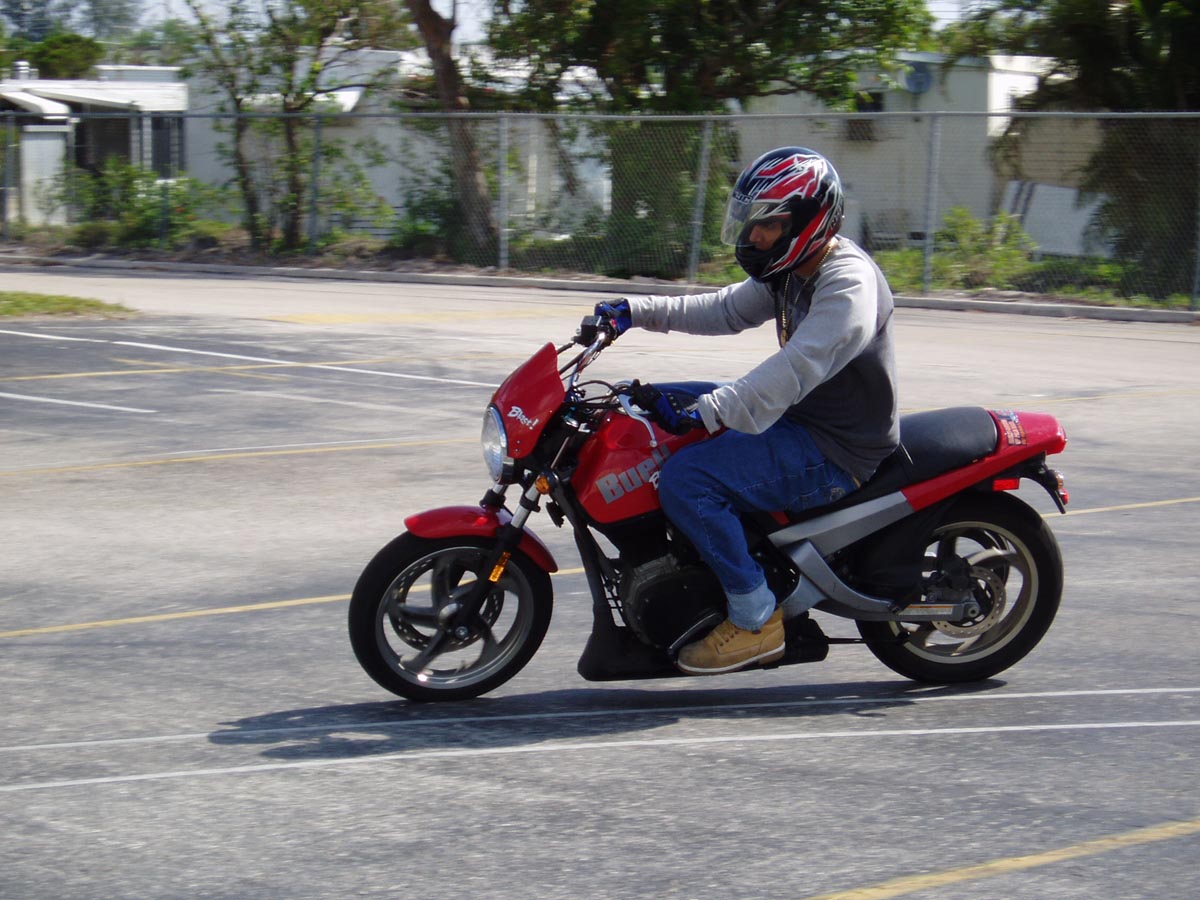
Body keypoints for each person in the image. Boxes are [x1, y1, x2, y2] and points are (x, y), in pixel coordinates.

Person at [595, 146, 899, 676]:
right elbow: (725, 309)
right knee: (642, 409)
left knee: (688, 480)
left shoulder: (847, 285)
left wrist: (708, 412)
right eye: (750, 222)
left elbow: (795, 369)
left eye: (768, 224)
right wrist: (635, 311)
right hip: (796, 415)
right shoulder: (794, 268)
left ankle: (755, 616)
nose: (753, 235)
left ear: (808, 222)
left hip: (835, 447)